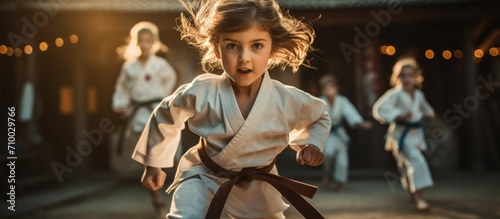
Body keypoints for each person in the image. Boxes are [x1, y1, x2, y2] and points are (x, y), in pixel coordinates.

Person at [132, 0, 331, 218]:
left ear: (272, 49)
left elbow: (319, 116)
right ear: (217, 49)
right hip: (203, 176)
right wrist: (154, 164)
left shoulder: (287, 99)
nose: (244, 57)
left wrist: (310, 143)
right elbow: (166, 113)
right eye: (232, 46)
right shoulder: (202, 91)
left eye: (257, 46)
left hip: (258, 186)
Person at [111, 21, 177, 218]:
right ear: (135, 42)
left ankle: (162, 192)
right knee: (147, 154)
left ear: (154, 42)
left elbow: (171, 82)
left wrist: (164, 101)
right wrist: (120, 105)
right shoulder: (129, 67)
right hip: (138, 114)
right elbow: (121, 88)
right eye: (141, 41)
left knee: (162, 151)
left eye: (149, 40)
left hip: (157, 110)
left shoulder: (161, 65)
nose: (145, 44)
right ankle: (156, 196)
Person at [373, 58, 435, 211]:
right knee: (417, 162)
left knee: (406, 168)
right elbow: (378, 109)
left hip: (416, 135)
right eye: (403, 75)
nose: (407, 79)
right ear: (397, 78)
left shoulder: (419, 95)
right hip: (400, 135)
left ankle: (414, 194)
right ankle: (420, 198)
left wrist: (430, 114)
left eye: (410, 75)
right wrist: (398, 114)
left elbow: (427, 110)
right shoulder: (394, 94)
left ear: (416, 78)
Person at [319, 74, 371, 191]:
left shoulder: (342, 101)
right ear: (322, 90)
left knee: (342, 160)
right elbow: (313, 117)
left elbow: (350, 113)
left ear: (336, 89)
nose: (329, 90)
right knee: (328, 154)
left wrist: (361, 123)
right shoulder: (320, 102)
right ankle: (327, 174)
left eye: (331, 87)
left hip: (340, 133)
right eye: (326, 88)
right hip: (327, 134)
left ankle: (340, 182)